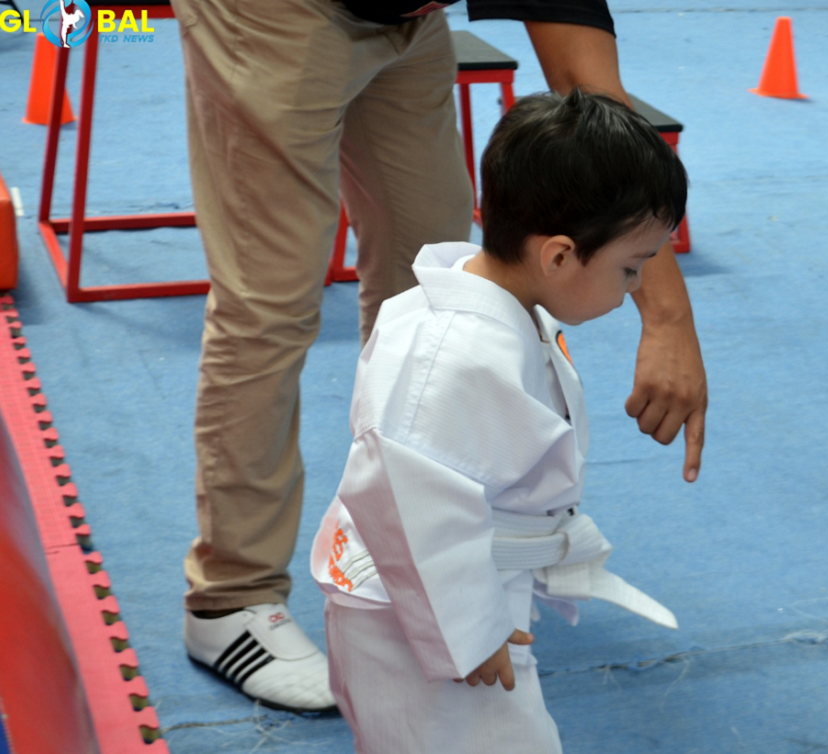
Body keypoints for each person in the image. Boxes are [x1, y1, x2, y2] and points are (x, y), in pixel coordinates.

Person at [172, 0, 706, 712]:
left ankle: (412, 556)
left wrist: (670, 318)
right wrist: (663, 314)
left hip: (404, 16)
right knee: (268, 302)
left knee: (441, 283)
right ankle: (230, 599)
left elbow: (590, 86)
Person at [311, 88, 686, 753]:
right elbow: (406, 505)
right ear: (560, 256)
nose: (634, 288)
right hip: (411, 611)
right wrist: (468, 629)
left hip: (449, 586)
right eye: (631, 269)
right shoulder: (449, 360)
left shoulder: (500, 308)